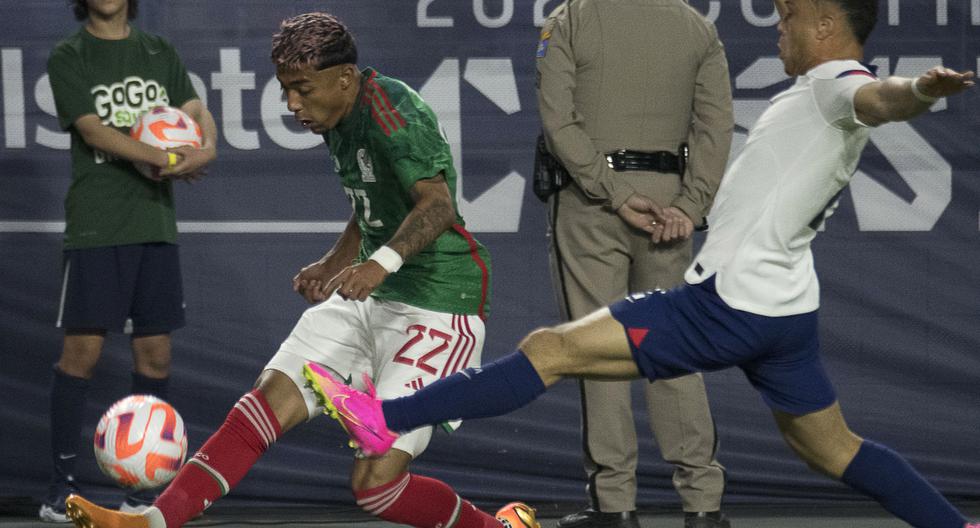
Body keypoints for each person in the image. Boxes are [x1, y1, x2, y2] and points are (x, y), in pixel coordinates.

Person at [299, 1, 979, 527]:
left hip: (727, 306)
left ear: (829, 25)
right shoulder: (815, 89)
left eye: (790, 17)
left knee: (550, 350)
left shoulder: (839, 84)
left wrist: (919, 90)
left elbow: (881, 100)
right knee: (834, 451)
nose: (780, 28)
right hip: (786, 309)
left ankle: (385, 416)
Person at [63, 11, 538, 528]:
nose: (292, 104)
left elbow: (437, 205)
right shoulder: (335, 117)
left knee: (375, 486)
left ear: (345, 79)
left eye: (302, 89)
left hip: (440, 303)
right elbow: (373, 198)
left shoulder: (392, 109)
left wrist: (376, 265)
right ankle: (151, 521)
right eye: (285, 89)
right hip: (373, 296)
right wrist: (337, 259)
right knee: (267, 402)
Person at [535, 1, 733, 526]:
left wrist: (615, 192)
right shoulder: (697, 26)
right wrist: (690, 207)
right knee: (672, 348)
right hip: (669, 204)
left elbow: (559, 118)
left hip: (593, 202)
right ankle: (703, 504)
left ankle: (615, 505)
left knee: (598, 351)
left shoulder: (570, 18)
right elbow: (716, 126)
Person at [41, 0, 217, 522]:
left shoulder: (159, 50)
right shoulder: (69, 55)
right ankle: (60, 491)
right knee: (82, 355)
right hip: (98, 225)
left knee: (156, 357)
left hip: (154, 224)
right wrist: (164, 158)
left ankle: (143, 492)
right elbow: (94, 131)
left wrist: (204, 148)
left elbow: (195, 108)